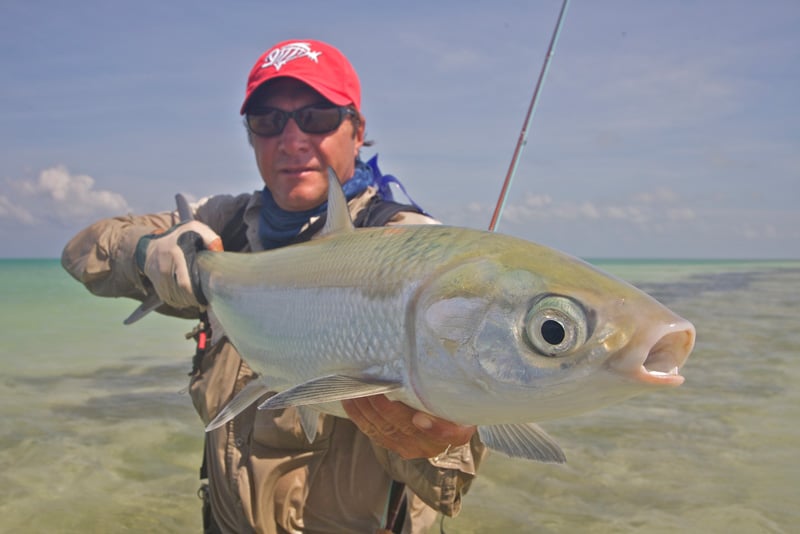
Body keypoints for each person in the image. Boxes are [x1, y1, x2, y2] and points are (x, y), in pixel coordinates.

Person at [62, 39, 486, 533]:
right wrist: (147, 254)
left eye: (318, 116)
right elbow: (81, 252)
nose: (291, 140)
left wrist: (445, 434)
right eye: (267, 120)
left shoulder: (404, 247)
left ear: (357, 129)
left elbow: (445, 481)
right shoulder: (224, 228)